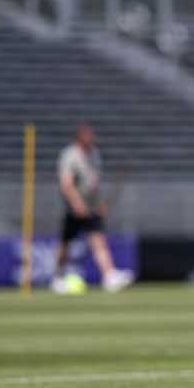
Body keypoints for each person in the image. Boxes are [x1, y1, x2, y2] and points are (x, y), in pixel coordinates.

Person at [54, 123, 133, 293]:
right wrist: (76, 202)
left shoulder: (94, 154)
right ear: (79, 137)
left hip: (90, 207)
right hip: (74, 207)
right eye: (87, 135)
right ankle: (58, 277)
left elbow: (94, 184)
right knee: (66, 243)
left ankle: (109, 275)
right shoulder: (70, 155)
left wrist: (100, 205)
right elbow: (66, 183)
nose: (91, 138)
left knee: (98, 239)